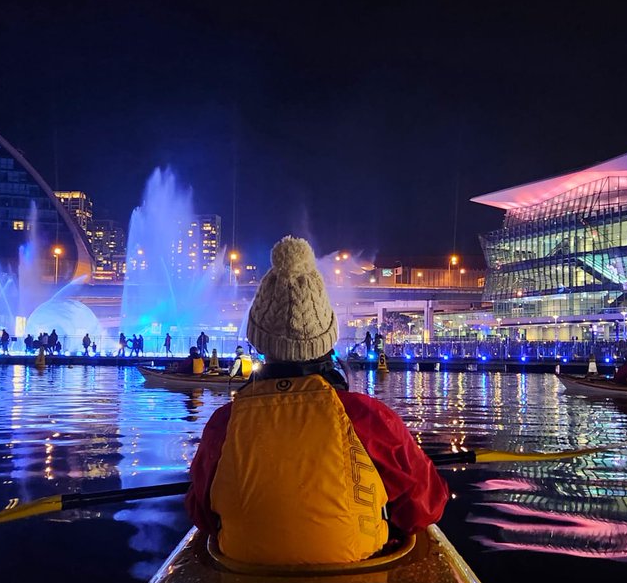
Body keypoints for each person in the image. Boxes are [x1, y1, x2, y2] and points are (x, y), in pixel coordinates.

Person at [186, 236, 448, 566]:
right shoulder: (368, 418)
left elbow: (201, 513)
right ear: (326, 342)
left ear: (259, 344)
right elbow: (426, 506)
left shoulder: (224, 424)